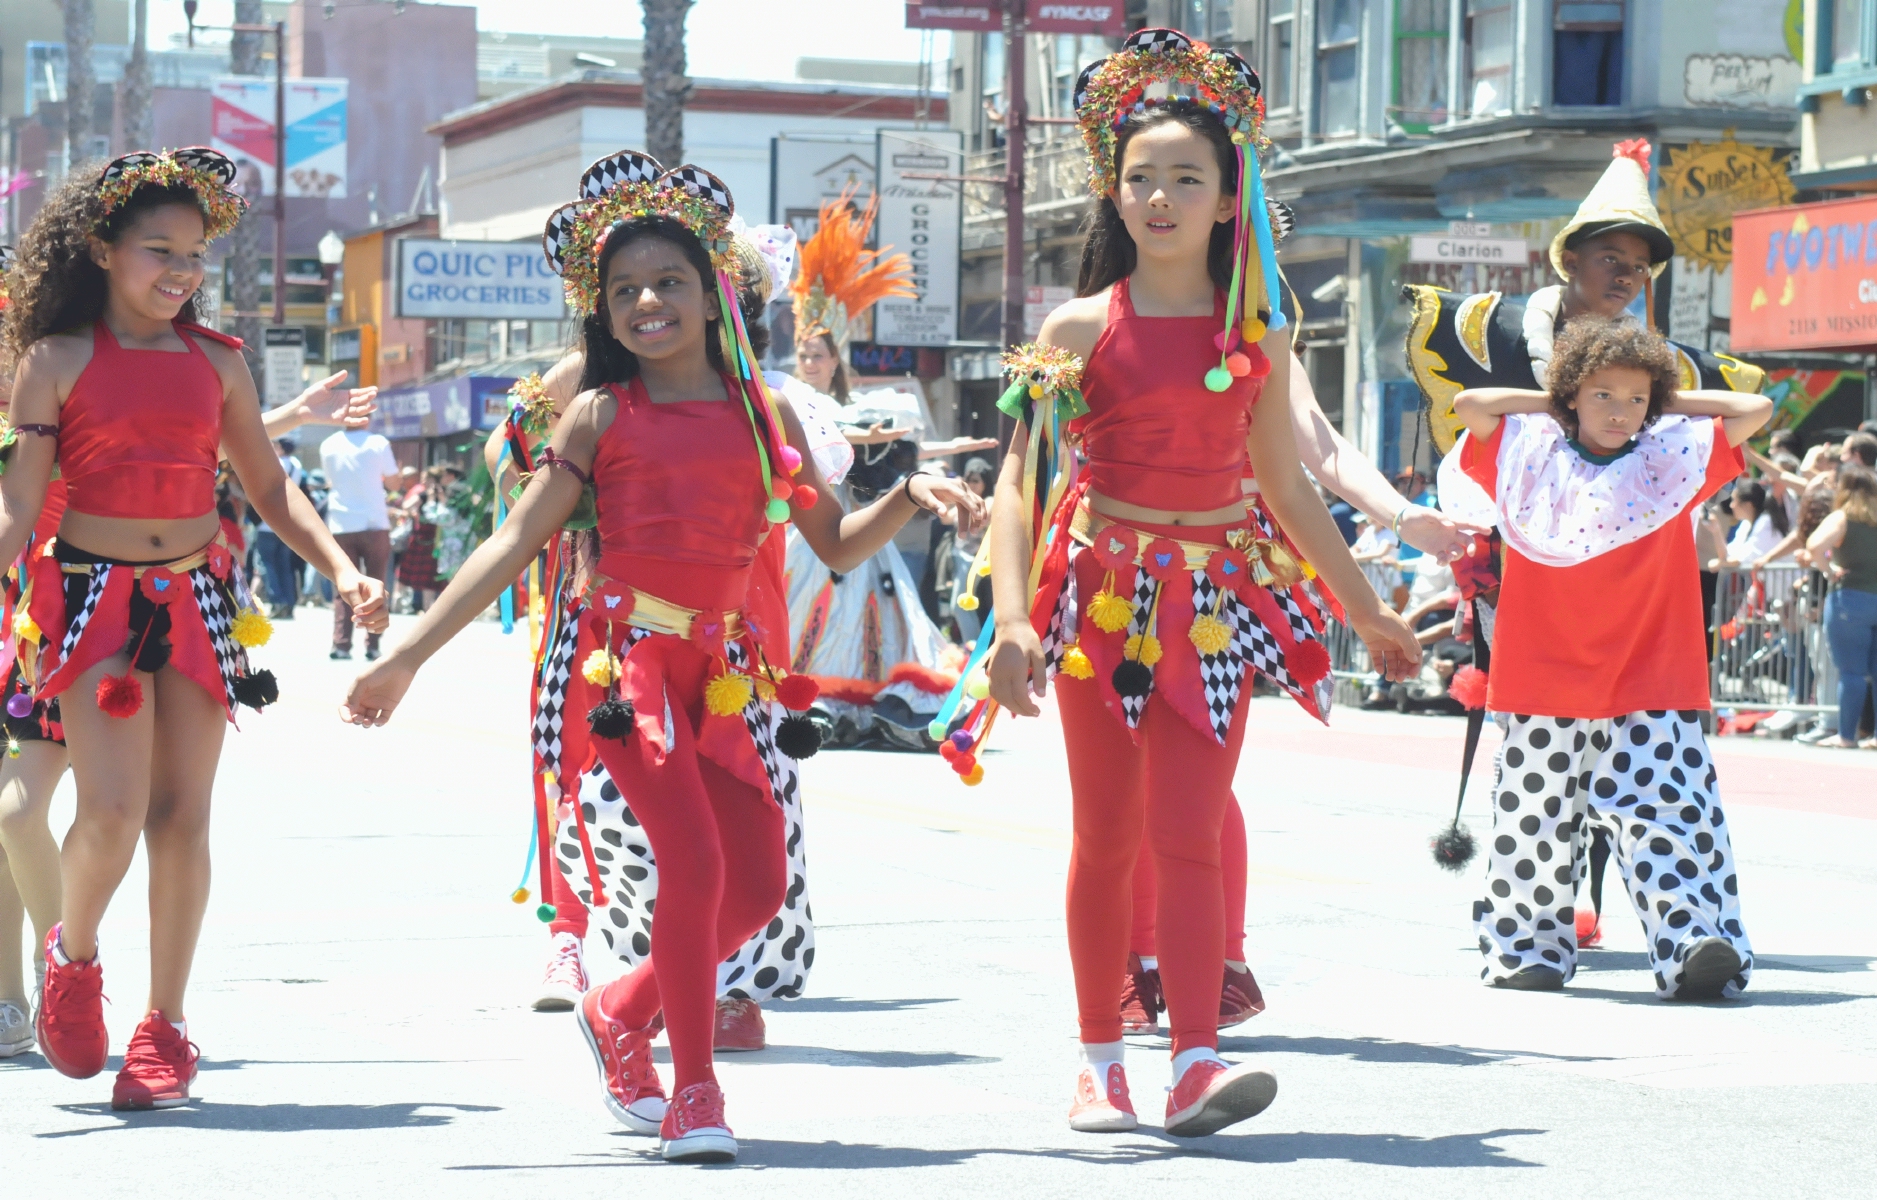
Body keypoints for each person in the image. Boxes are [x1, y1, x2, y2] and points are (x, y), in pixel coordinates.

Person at [339, 150, 983, 1163]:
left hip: (726, 679)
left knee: (759, 888)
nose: (647, 301)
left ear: (714, 291)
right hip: (628, 675)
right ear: (601, 311)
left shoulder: (761, 416)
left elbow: (838, 542)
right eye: (624, 289)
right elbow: (512, 545)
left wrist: (909, 497)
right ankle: (695, 1092)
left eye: (669, 282)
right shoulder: (601, 416)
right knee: (691, 867)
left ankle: (617, 1011)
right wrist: (403, 658)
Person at [983, 29, 1420, 1138]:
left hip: (1213, 608)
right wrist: (1007, 623)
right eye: (1142, 179)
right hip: (1100, 608)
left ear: (1230, 197)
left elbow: (1283, 484)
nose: (1162, 197)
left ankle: (1189, 1061)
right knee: (1107, 835)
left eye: (1187, 178)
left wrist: (1365, 613)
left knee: (1187, 831)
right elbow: (1018, 490)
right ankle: (1097, 1061)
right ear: (1114, 195)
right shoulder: (1074, 329)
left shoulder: (1258, 334)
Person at [0, 147, 385, 1108]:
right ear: (100, 248)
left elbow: (267, 486)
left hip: (198, 602)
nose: (179, 270)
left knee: (183, 820)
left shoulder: (218, 362)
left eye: (195, 254)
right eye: (157, 249)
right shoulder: (55, 361)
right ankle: (74, 960)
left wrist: (341, 569)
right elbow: (19, 504)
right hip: (92, 603)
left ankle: (163, 1027)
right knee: (113, 814)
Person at [1450, 316, 1771, 999]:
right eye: (1600, 396)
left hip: (1650, 670)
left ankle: (1691, 941)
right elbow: (1468, 406)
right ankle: (1524, 949)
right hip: (1543, 671)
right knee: (1532, 818)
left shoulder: (1672, 454)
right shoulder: (1525, 451)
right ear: (1569, 397)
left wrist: (1656, 401)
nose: (1618, 411)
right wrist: (1564, 396)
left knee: (1672, 813)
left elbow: (1754, 407)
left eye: (1632, 400)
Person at [783, 192, 997, 749]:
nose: (810, 362)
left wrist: (946, 448)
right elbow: (831, 439)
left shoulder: (859, 406)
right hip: (807, 529)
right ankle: (808, 692)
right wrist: (865, 436)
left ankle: (870, 698)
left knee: (884, 608)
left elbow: (893, 448)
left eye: (819, 355)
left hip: (858, 526)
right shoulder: (786, 403)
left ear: (835, 360)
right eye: (804, 354)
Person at [1801, 465, 1877, 749]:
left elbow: (1814, 545)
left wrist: (1829, 569)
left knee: (1852, 673)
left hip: (1850, 600)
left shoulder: (1842, 517)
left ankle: (1847, 735)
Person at [320, 423, 400, 659]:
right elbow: (394, 484)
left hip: (341, 523)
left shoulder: (328, 444)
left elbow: (329, 481)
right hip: (374, 522)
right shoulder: (378, 443)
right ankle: (373, 644)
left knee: (342, 586)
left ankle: (341, 644)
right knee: (377, 585)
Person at [1720, 479, 1788, 566]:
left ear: (1748, 505)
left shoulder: (1765, 522)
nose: (1731, 505)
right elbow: (1729, 554)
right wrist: (1716, 530)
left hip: (1784, 578)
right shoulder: (1746, 524)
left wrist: (1719, 564)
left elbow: (1742, 558)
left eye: (1734, 500)